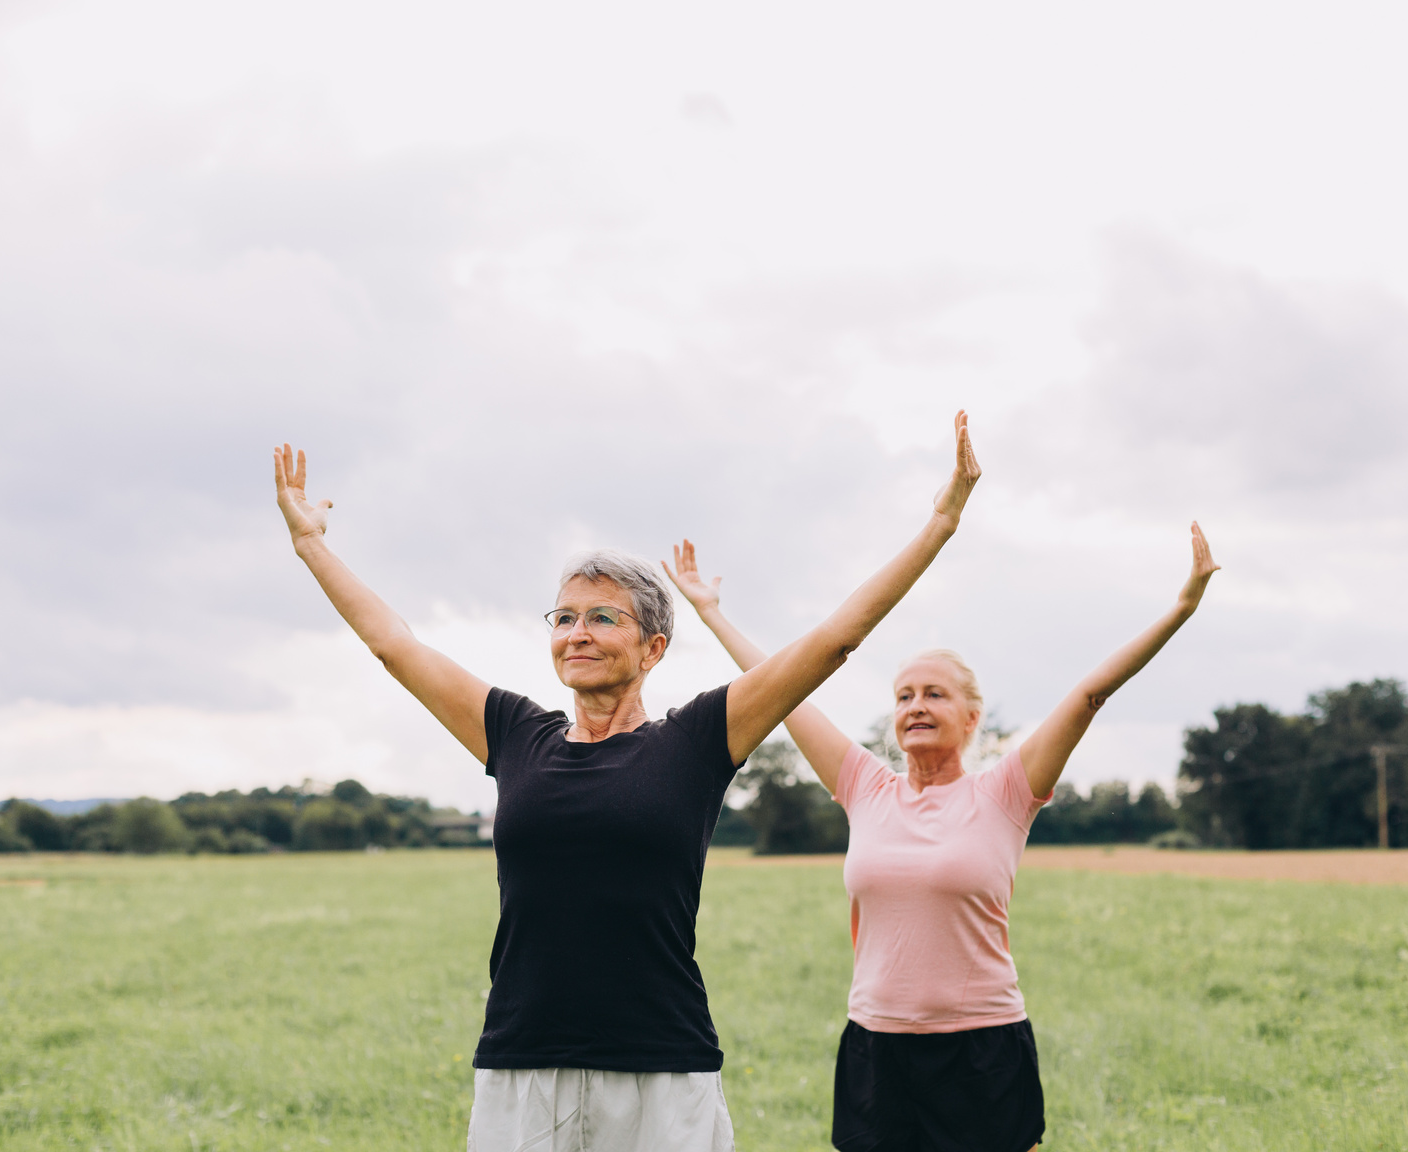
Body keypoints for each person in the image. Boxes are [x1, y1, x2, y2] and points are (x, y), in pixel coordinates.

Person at [271, 412, 982, 1152]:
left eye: (603, 617)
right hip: (525, 1062)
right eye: (565, 617)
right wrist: (311, 544)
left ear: (654, 646)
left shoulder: (698, 740)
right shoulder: (515, 733)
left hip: (660, 1069)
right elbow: (395, 645)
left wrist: (939, 524)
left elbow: (834, 640)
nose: (576, 632)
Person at [665, 522, 1221, 1152]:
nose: (916, 706)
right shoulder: (864, 786)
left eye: (935, 694)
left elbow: (1089, 695)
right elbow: (785, 692)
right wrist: (713, 615)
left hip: (981, 1047)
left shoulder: (1006, 791)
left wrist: (1180, 609)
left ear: (972, 716)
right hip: (876, 1045)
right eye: (904, 696)